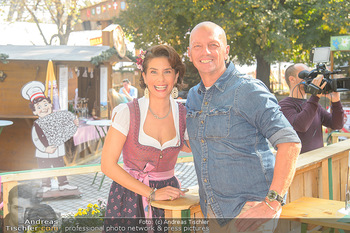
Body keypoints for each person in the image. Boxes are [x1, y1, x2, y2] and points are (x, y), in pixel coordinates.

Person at [186, 21, 301, 232]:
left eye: (213, 44)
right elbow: (199, 141)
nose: (206, 52)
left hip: (250, 213)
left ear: (226, 50)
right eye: (198, 46)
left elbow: (290, 143)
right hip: (213, 214)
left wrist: (272, 202)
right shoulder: (194, 95)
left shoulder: (247, 89)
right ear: (189, 53)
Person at [101, 45, 191, 232]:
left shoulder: (184, 115)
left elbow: (197, 147)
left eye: (167, 71)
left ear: (176, 76)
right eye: (153, 72)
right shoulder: (127, 112)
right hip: (129, 199)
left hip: (169, 200)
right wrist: (152, 193)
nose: (160, 79)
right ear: (144, 76)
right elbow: (107, 165)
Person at [21, 81, 78, 193]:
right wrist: (45, 149)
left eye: (45, 104)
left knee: (59, 167)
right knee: (44, 169)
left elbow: (64, 131)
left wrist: (73, 124)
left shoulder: (57, 119)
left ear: (51, 105)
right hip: (43, 153)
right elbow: (36, 139)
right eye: (39, 107)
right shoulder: (37, 125)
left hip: (57, 151)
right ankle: (45, 186)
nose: (44, 108)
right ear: (35, 111)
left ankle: (63, 184)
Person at [279, 63, 344, 153]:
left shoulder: (314, 104)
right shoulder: (283, 105)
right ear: (292, 79)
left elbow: (337, 125)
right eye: (306, 75)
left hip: (318, 161)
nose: (310, 79)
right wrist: (315, 96)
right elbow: (301, 126)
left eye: (311, 75)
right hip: (300, 163)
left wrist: (336, 101)